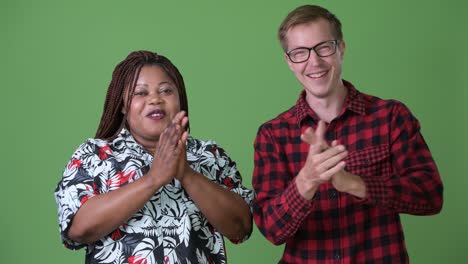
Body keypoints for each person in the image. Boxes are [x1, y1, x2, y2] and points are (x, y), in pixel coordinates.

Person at [252, 5, 443, 263]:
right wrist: (306, 181)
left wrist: (354, 183)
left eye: (324, 47)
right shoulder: (273, 135)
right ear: (288, 61)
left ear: (340, 48)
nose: (314, 61)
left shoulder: (391, 117)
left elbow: (430, 196)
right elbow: (272, 230)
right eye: (300, 52)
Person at [54, 50, 254, 264]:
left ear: (180, 99)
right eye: (140, 93)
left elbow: (241, 227)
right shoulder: (93, 155)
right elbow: (78, 230)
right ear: (122, 104)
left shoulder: (210, 156)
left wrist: (186, 173)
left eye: (166, 90)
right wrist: (154, 178)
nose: (155, 100)